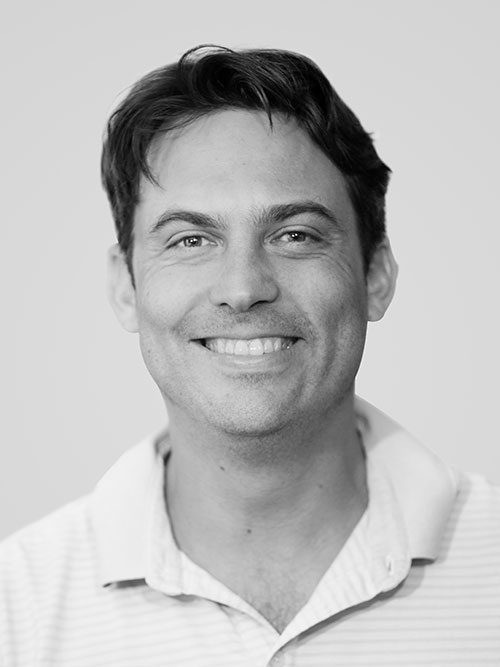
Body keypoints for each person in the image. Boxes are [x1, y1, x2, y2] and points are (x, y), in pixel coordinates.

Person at [1, 45, 499, 666]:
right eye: (190, 240)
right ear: (125, 286)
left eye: (295, 235)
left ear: (375, 274)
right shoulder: (14, 611)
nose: (242, 289)